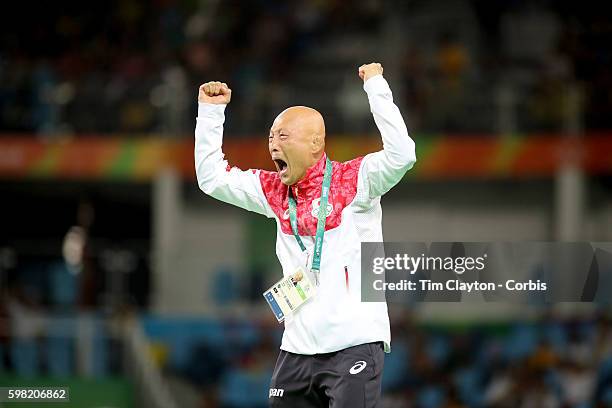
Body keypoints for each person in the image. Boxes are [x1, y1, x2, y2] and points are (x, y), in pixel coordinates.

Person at [195, 62, 416, 407]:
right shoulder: (272, 193)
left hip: (354, 345)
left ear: (316, 143)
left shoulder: (355, 181)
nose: (273, 144)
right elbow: (211, 179)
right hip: (296, 351)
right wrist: (210, 115)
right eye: (270, 136)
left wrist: (376, 86)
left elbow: (402, 155)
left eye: (283, 136)